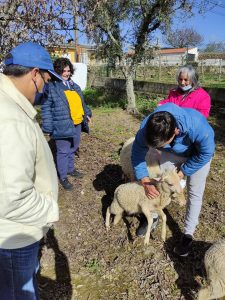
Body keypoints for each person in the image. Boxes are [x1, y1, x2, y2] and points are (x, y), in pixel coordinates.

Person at [0, 42, 60, 299]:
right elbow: (11, 197)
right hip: (14, 237)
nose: (44, 88)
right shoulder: (11, 119)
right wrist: (50, 209)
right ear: (34, 74)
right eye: (45, 80)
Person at [131, 103, 215, 257]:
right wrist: (144, 180)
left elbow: (206, 152)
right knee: (161, 183)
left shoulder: (198, 127)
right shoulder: (148, 128)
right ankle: (153, 216)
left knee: (194, 191)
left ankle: (188, 235)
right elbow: (137, 153)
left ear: (175, 132)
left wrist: (183, 172)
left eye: (160, 145)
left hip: (198, 155)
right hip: (172, 151)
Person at [41, 57, 92, 191]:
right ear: (57, 71)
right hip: (61, 123)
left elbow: (81, 102)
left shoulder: (73, 85)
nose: (67, 73)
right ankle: (63, 177)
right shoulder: (51, 87)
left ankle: (70, 169)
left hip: (77, 122)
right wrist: (48, 126)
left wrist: (87, 113)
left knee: (73, 147)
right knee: (63, 151)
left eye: (68, 70)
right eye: (63, 71)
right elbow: (46, 107)